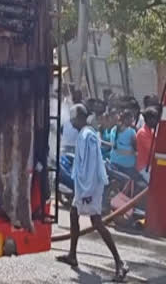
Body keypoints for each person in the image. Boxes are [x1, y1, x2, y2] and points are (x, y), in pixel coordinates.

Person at [56, 103, 128, 282]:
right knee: (74, 214)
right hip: (85, 186)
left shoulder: (87, 136)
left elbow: (91, 166)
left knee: (96, 222)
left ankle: (120, 263)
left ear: (80, 118)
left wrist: (86, 191)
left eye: (73, 119)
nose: (71, 122)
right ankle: (72, 254)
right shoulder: (85, 134)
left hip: (90, 187)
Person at [110, 109, 138, 180]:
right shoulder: (131, 132)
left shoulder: (113, 129)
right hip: (127, 166)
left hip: (113, 162)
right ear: (126, 119)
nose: (133, 120)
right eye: (131, 118)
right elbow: (136, 149)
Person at [136, 108, 159, 183]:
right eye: (155, 118)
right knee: (156, 184)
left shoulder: (151, 131)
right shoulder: (142, 133)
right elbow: (153, 150)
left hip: (152, 165)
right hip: (144, 167)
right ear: (149, 119)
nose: (157, 121)